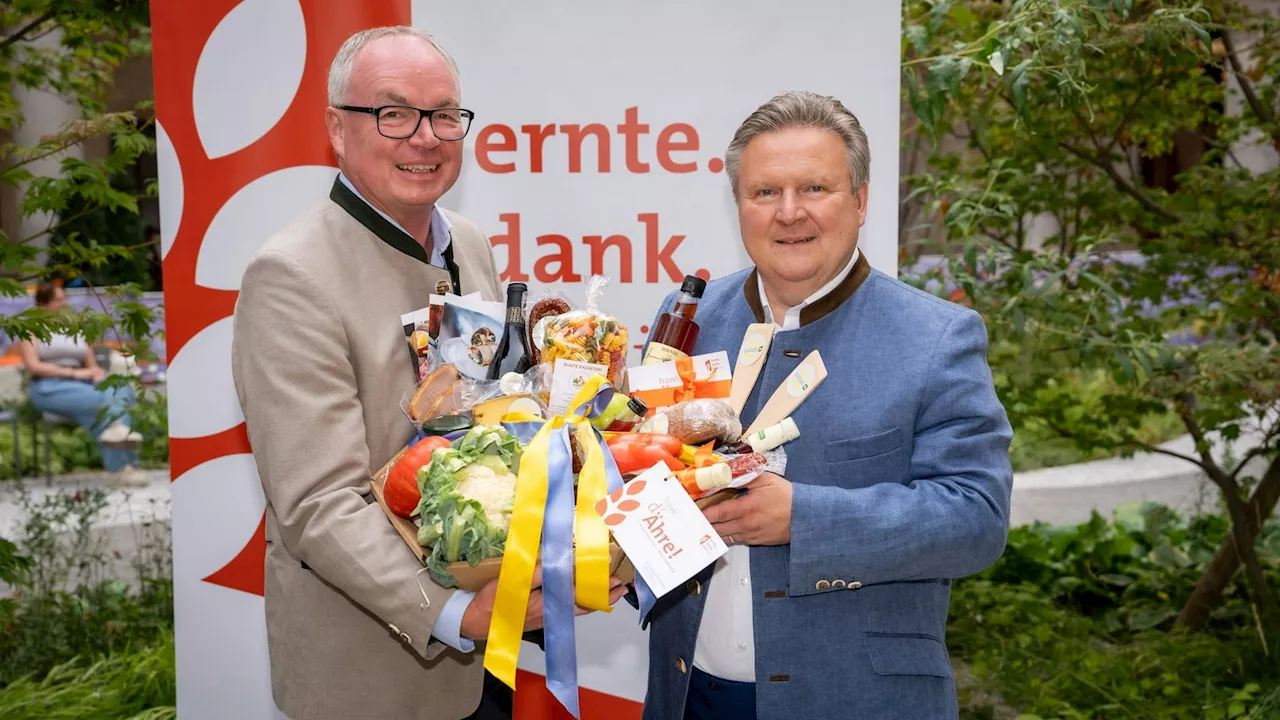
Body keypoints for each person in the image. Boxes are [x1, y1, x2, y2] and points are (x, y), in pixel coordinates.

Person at [230, 26, 624, 720]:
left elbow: (495, 417)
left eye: (444, 114)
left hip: (487, 649)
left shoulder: (466, 242)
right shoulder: (291, 275)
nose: (425, 136)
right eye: (393, 112)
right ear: (337, 130)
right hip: (374, 674)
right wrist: (452, 612)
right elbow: (316, 503)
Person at [639, 91, 1014, 720]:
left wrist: (803, 518)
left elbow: (976, 520)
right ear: (739, 205)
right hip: (687, 696)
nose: (790, 213)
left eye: (815, 188)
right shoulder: (688, 319)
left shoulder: (937, 336)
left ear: (861, 201)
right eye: (765, 193)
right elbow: (645, 468)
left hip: (854, 699)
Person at [17, 282, 146, 486]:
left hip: (84, 383)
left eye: (64, 298)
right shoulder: (30, 329)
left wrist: (96, 374)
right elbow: (33, 366)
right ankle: (123, 467)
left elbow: (91, 364)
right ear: (43, 304)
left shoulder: (74, 328)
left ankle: (119, 436)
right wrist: (75, 373)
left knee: (120, 388)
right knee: (102, 403)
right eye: (58, 299)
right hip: (49, 386)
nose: (64, 303)